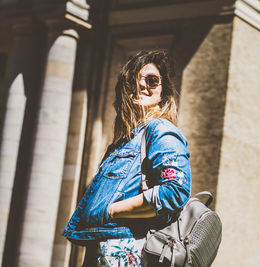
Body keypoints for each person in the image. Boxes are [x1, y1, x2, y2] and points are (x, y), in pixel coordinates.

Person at [63, 50, 191, 266]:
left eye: (152, 81)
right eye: (134, 79)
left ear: (165, 91)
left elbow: (175, 190)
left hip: (126, 246)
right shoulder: (126, 139)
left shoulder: (160, 130)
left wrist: (113, 210)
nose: (142, 85)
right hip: (103, 243)